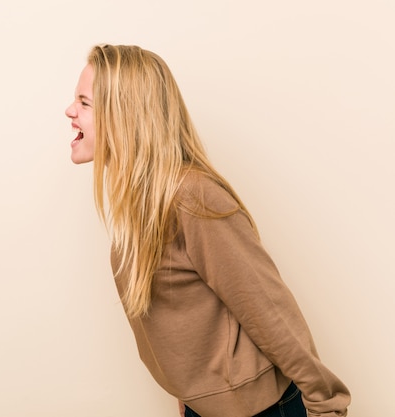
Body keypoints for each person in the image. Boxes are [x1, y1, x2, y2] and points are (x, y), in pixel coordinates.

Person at [64, 44, 351, 417]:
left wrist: (327, 405)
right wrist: (191, 395)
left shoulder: (191, 197)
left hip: (261, 410)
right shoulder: (141, 204)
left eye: (84, 103)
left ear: (124, 115)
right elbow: (184, 319)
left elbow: (268, 308)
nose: (70, 111)